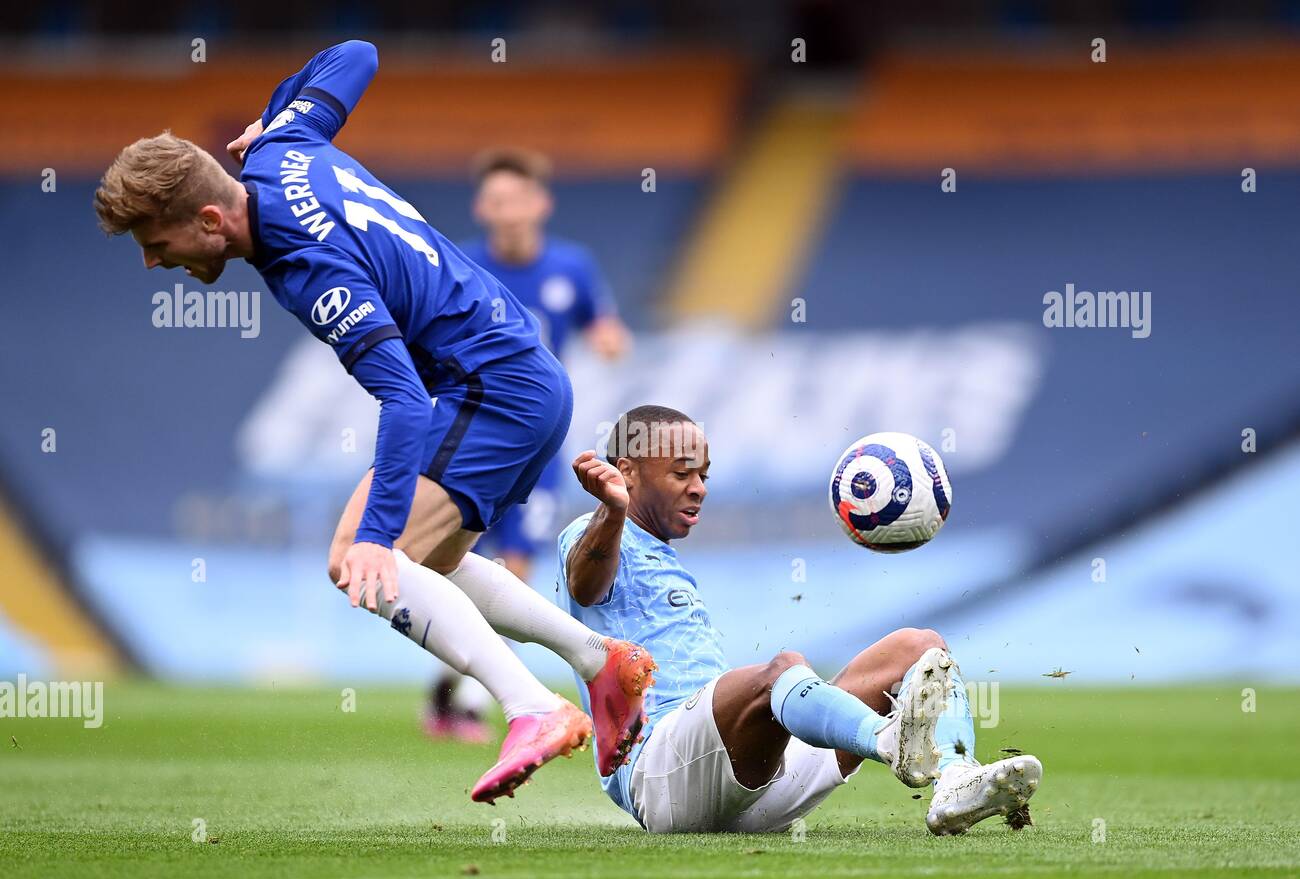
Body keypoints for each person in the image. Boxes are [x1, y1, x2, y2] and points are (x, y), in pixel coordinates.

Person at [92, 40, 655, 802]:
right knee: (441, 563)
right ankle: (599, 661)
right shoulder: (282, 147)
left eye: (158, 245)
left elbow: (402, 398)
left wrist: (374, 535)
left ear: (210, 218)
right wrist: (275, 114)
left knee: (357, 557)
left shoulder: (307, 263)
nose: (154, 265)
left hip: (488, 387)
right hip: (519, 373)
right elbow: (356, 53)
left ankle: (533, 709)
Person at [557, 405, 1043, 833]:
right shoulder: (593, 533)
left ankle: (956, 777)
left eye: (704, 475)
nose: (699, 489)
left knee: (920, 646)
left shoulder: (663, 557)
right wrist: (612, 511)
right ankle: (889, 740)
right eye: (683, 474)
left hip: (747, 785)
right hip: (661, 777)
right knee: (781, 671)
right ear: (628, 471)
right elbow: (585, 585)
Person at [424, 148, 632, 743]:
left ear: (541, 203)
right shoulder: (461, 263)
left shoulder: (572, 266)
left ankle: (461, 697)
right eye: (496, 199)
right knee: (445, 560)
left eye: (518, 198)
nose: (508, 210)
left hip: (532, 434)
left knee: (514, 561)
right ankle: (459, 689)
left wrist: (611, 340)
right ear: (481, 207)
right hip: (466, 428)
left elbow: (603, 327)